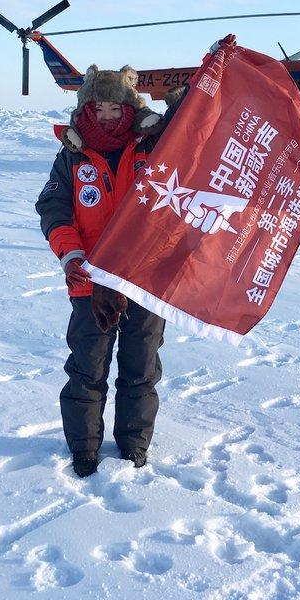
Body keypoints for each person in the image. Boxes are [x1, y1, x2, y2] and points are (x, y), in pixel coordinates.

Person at [34, 64, 178, 478]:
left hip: (146, 280)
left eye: (117, 106)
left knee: (141, 369)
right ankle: (83, 448)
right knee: (87, 369)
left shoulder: (156, 146)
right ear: (87, 107)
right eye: (100, 106)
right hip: (90, 284)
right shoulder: (72, 156)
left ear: (130, 105)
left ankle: (134, 445)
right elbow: (54, 210)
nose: (109, 115)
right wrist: (72, 259)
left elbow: (196, 138)